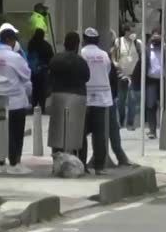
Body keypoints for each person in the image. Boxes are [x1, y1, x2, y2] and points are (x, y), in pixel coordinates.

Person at [0, 26, 32, 173]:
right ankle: (15, 163)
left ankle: (0, 163)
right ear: (10, 40)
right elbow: (26, 75)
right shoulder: (15, 57)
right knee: (16, 133)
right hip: (15, 101)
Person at [47, 32, 89, 160]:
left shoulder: (55, 59)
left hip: (58, 97)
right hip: (77, 98)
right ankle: (81, 162)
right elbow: (87, 77)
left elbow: (49, 76)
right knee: (78, 133)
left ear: (65, 43)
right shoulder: (81, 62)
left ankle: (57, 161)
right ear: (77, 45)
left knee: (57, 133)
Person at [79, 28, 113, 175]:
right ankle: (99, 166)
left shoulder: (82, 54)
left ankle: (82, 165)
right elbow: (108, 71)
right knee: (99, 135)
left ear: (84, 40)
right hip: (101, 99)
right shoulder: (104, 55)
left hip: (85, 99)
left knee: (82, 134)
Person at [112, 26, 141, 129]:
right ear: (126, 32)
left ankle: (130, 123)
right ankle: (121, 120)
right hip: (121, 76)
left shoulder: (138, 43)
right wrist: (116, 65)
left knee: (132, 100)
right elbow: (113, 56)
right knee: (121, 101)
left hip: (133, 76)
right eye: (131, 31)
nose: (133, 33)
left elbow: (142, 58)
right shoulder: (118, 42)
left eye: (134, 31)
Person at [26, 28, 54, 114]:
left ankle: (34, 107)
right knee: (42, 91)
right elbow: (51, 59)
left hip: (33, 72)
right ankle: (42, 108)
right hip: (43, 71)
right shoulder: (47, 46)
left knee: (34, 90)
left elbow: (29, 56)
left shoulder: (31, 44)